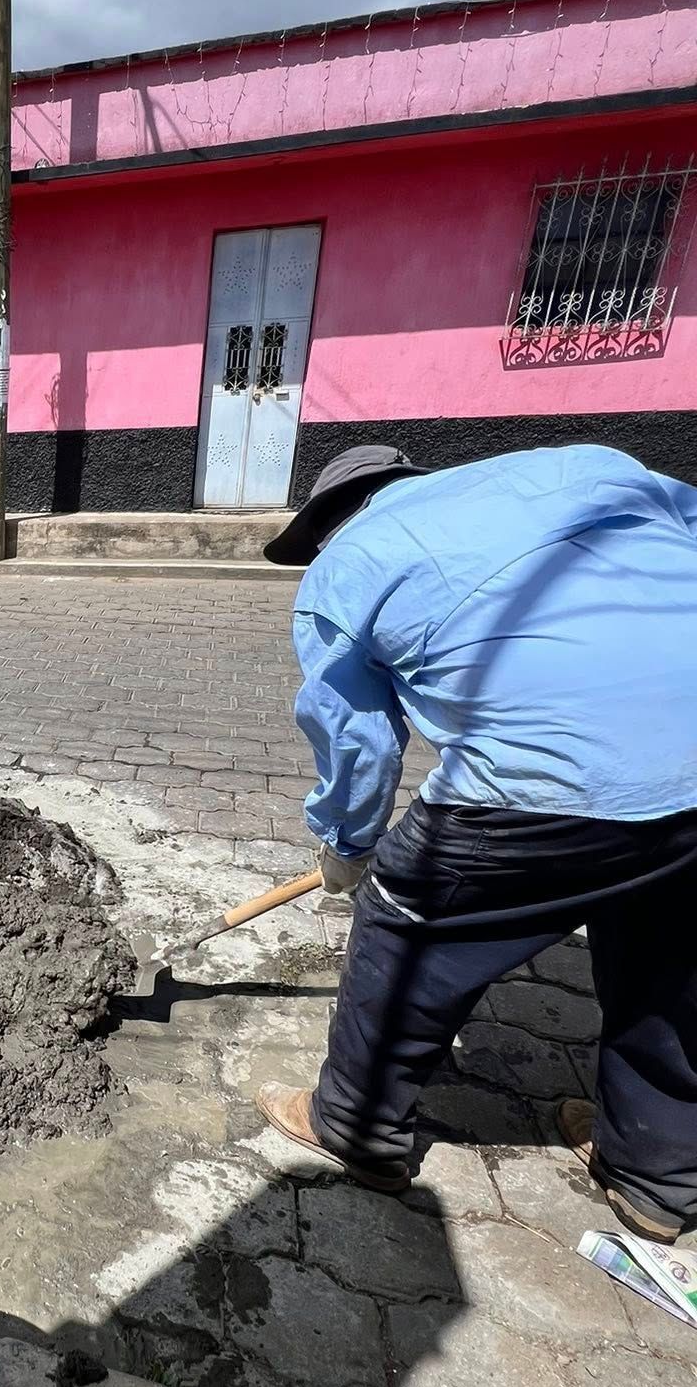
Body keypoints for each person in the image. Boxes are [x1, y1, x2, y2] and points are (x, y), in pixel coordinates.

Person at [255, 442, 697, 1244]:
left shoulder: (348, 564)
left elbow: (359, 745)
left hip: (557, 775)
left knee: (405, 920)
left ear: (327, 523)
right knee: (669, 946)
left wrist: (350, 851)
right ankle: (658, 1174)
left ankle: (353, 1126)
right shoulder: (593, 466)